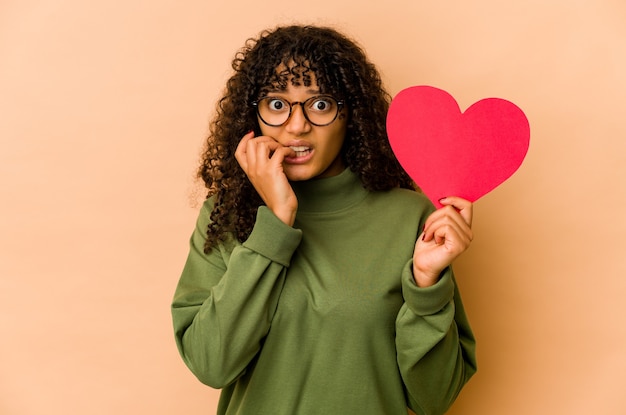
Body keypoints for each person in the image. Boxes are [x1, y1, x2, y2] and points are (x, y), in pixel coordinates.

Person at [171, 24, 477, 415]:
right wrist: (276, 223)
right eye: (277, 104)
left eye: (319, 105)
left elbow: (434, 398)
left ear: (350, 114)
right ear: (254, 117)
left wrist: (426, 284)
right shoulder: (226, 214)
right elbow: (210, 363)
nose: (297, 126)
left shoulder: (411, 217)